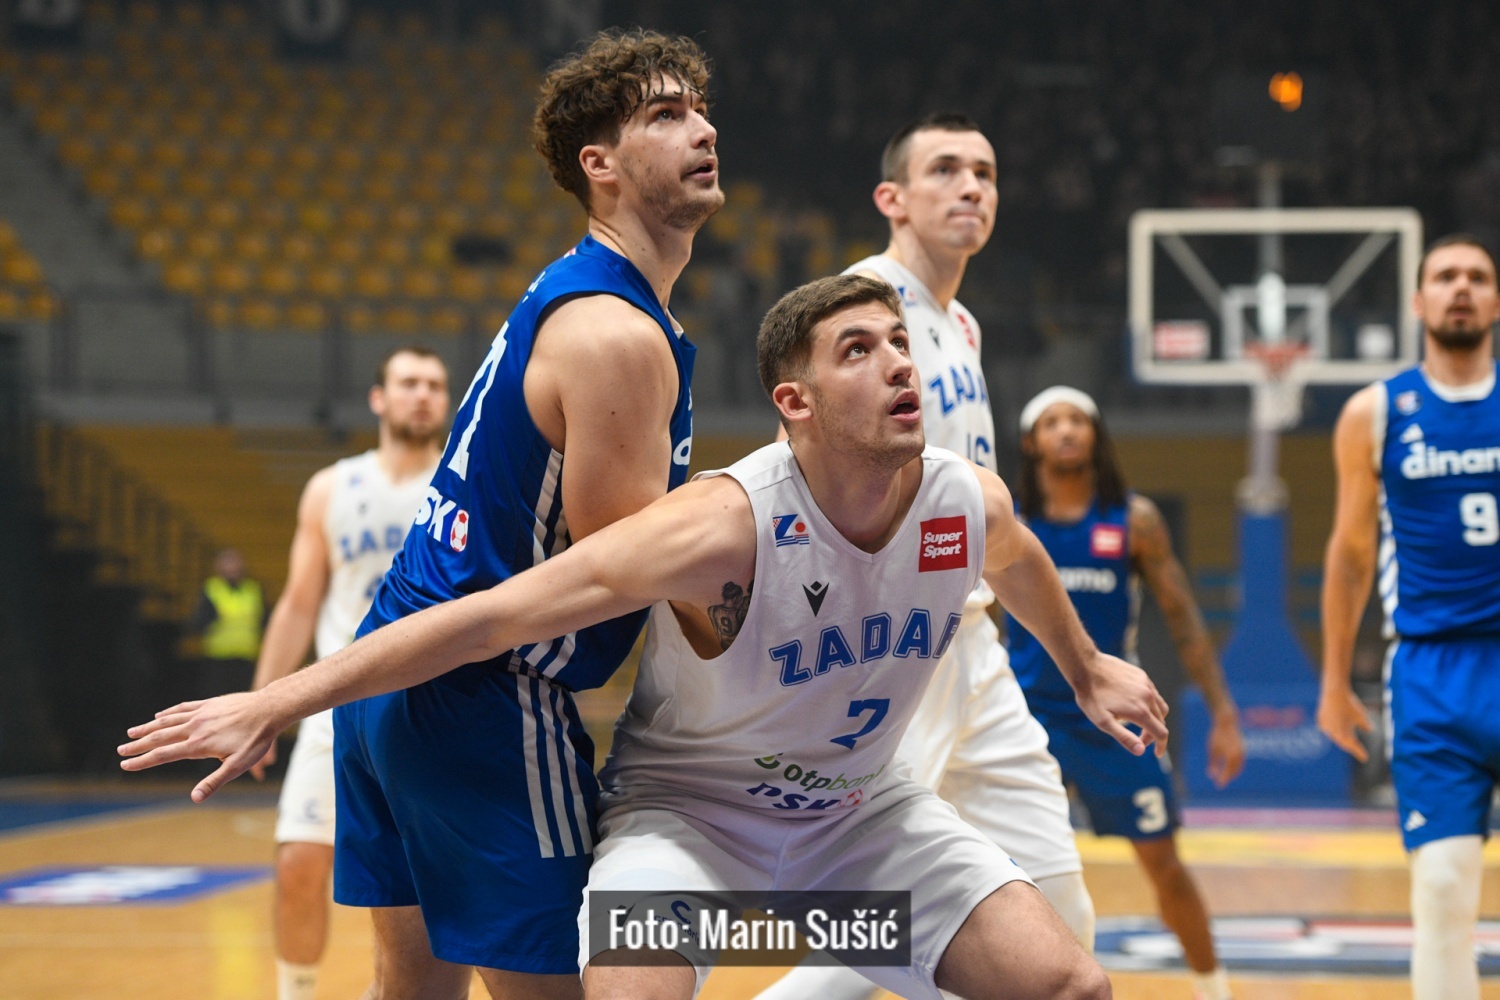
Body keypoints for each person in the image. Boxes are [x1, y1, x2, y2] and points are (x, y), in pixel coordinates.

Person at [121, 275, 1170, 1000]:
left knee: (1068, 983)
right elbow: (490, 617)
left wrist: (1087, 669)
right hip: (689, 822)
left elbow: (1019, 560)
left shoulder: (965, 500)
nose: (899, 363)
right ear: (794, 402)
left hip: (859, 820)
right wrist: (278, 699)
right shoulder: (721, 527)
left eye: (901, 342)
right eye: (860, 349)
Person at [145, 29, 716, 1000]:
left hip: (391, 686)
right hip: (484, 703)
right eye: (666, 115)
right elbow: (629, 567)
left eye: (700, 111)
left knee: (411, 990)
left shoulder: (570, 291)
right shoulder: (616, 335)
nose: (702, 129)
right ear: (601, 165)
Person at [758, 112, 1095, 1000]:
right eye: (945, 169)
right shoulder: (863, 304)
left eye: (985, 172)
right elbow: (803, 466)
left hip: (974, 641)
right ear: (893, 198)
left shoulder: (963, 324)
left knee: (1058, 902)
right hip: (893, 642)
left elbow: (980, 517)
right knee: (875, 939)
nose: (971, 186)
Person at [1010, 386, 1243, 1000]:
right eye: (1052, 422)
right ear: (1031, 442)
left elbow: (1183, 617)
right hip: (1028, 717)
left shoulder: (1132, 520)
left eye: (1078, 420)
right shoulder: (1010, 521)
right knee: (1012, 868)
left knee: (1165, 864)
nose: (1066, 431)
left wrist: (1223, 713)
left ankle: (1213, 989)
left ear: (1096, 435)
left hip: (1113, 722)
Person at [1319, 234, 1500, 1000]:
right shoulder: (1376, 412)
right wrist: (1334, 681)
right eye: (1446, 277)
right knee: (1443, 890)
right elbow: (1351, 555)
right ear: (1419, 301)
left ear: (1495, 301)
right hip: (1430, 673)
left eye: (1478, 277)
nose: (1462, 288)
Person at [245, 346, 449, 1000]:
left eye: (435, 385)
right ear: (378, 398)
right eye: (409, 383)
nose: (423, 395)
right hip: (337, 705)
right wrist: (262, 704)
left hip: (430, 707)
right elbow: (299, 604)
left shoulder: (461, 481)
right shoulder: (331, 488)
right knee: (298, 862)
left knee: (417, 889)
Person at [187, 547, 266, 702]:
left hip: (246, 657)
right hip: (218, 658)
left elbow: (265, 620)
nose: (232, 568)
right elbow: (198, 621)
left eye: (235, 562)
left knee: (245, 701)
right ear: (218, 566)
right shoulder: (211, 589)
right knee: (216, 700)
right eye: (227, 563)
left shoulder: (254, 589)